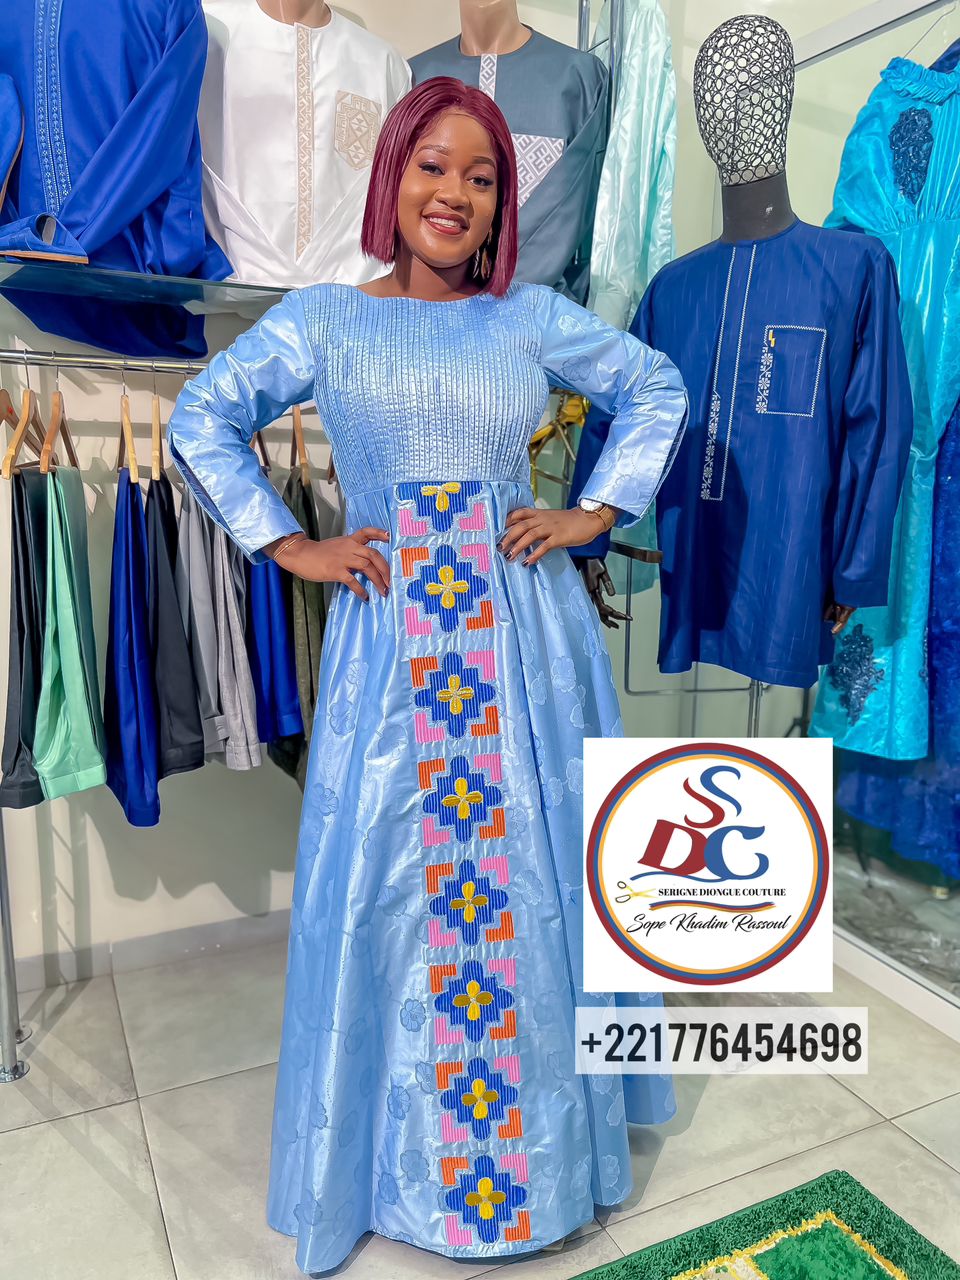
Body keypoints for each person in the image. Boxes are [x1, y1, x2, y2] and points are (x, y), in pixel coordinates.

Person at [168, 76, 687, 1276]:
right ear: (392, 173)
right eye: (433, 165)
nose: (455, 193)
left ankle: (538, 1164)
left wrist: (594, 511)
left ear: (504, 205)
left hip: (524, 650)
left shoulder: (532, 318)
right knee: (391, 897)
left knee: (533, 890)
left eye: (483, 176)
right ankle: (396, 1164)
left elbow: (657, 386)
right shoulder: (323, 321)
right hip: (394, 653)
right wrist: (287, 542)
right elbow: (202, 417)